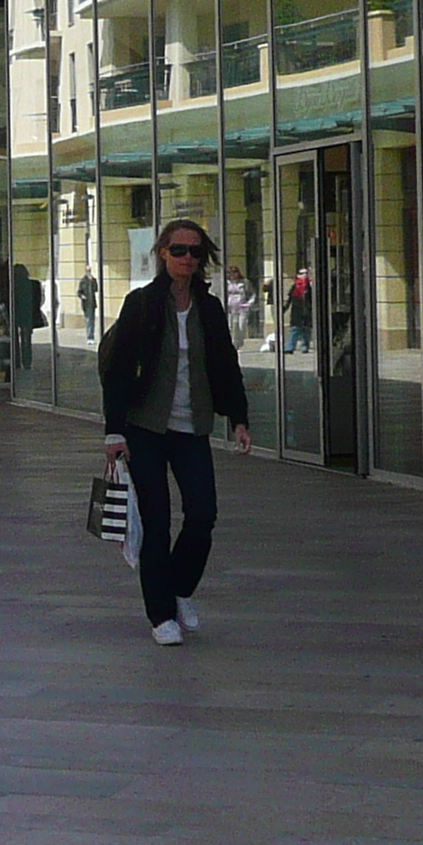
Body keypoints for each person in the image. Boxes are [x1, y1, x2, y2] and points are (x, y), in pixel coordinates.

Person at [98, 217, 253, 647]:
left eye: (195, 252)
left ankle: (180, 588)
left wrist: (238, 418)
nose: (187, 258)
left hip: (191, 426)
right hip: (145, 426)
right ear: (163, 253)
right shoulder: (143, 304)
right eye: (179, 250)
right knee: (156, 520)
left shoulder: (209, 308)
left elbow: (225, 365)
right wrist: (114, 432)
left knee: (203, 515)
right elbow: (117, 372)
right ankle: (161, 613)